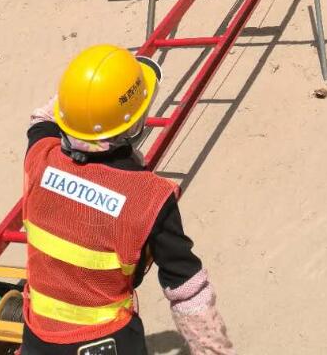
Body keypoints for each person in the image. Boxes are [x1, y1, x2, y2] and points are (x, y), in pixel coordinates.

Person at [21, 44, 235, 355]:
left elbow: (42, 117)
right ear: (134, 124)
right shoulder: (149, 198)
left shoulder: (40, 157)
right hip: (103, 343)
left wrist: (85, 95)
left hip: (37, 340)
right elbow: (187, 291)